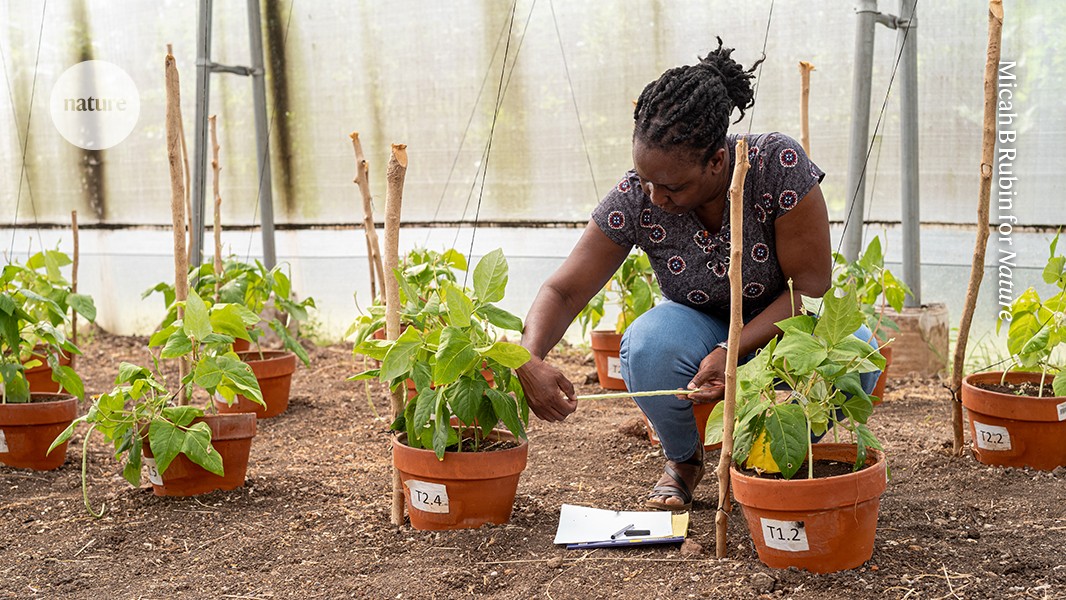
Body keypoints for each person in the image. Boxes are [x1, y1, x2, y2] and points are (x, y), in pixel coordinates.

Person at [516, 38, 880, 510]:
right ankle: (685, 460)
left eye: (670, 186)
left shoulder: (776, 167)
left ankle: (765, 458)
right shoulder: (638, 198)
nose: (654, 196)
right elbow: (564, 291)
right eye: (645, 179)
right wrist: (527, 358)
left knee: (859, 354)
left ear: (717, 160)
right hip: (700, 326)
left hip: (788, 328)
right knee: (647, 345)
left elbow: (809, 292)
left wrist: (732, 350)